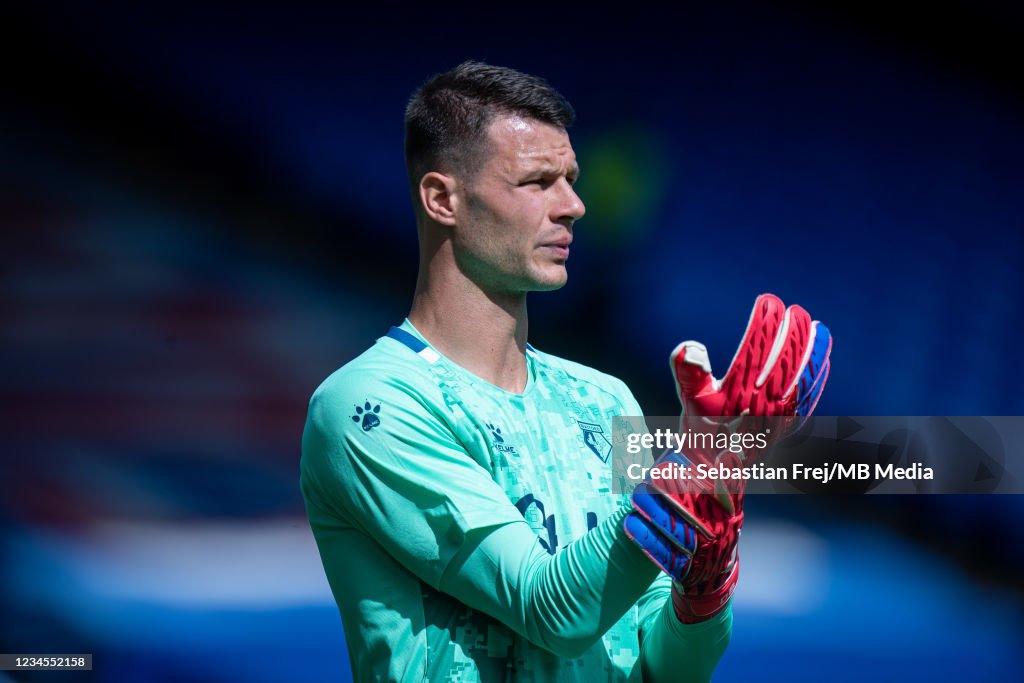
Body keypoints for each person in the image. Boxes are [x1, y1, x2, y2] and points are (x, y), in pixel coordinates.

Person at [300, 61, 830, 682]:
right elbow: (546, 607)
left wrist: (703, 592)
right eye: (537, 182)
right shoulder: (369, 404)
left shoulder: (604, 397)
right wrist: (687, 479)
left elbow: (663, 672)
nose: (575, 206)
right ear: (443, 198)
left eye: (571, 179)